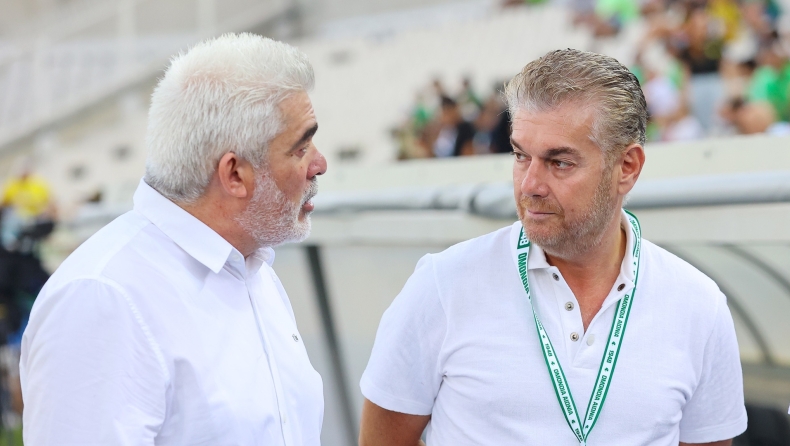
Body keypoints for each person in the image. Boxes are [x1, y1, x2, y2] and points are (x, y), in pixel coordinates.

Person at [359, 49, 746, 445]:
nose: (530, 185)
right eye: (520, 156)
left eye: (559, 162)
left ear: (627, 167)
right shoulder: (443, 285)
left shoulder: (699, 306)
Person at [20, 33, 327, 445]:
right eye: (301, 148)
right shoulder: (102, 298)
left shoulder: (253, 271)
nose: (319, 164)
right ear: (234, 174)